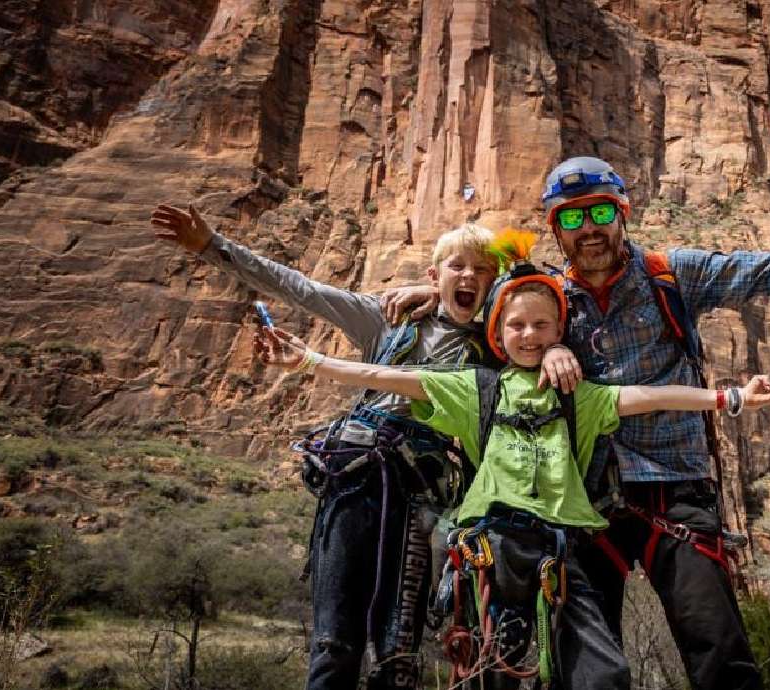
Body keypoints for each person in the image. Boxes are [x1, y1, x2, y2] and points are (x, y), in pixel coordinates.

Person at [381, 156, 770, 690]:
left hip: (677, 493)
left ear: (622, 212)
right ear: (557, 229)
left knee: (719, 649)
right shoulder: (552, 299)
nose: (589, 228)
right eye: (572, 218)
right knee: (584, 670)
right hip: (586, 508)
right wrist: (434, 292)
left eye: (601, 211)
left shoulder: (672, 276)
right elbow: (493, 318)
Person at [253, 229, 770, 690]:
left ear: (562, 332)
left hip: (564, 548)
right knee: (494, 669)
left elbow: (651, 395)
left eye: (542, 327)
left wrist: (731, 397)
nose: (529, 335)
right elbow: (388, 377)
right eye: (516, 327)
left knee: (603, 674)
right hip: (494, 548)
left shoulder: (580, 393)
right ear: (497, 333)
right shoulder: (475, 389)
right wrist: (312, 362)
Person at [150, 204, 523, 689]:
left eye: (483, 269)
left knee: (397, 650)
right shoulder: (386, 319)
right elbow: (302, 289)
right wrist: (212, 246)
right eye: (457, 267)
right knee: (334, 642)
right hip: (353, 480)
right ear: (435, 273)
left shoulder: (501, 343)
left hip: (419, 499)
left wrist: (438, 292)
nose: (469, 276)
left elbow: (546, 296)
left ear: (495, 282)